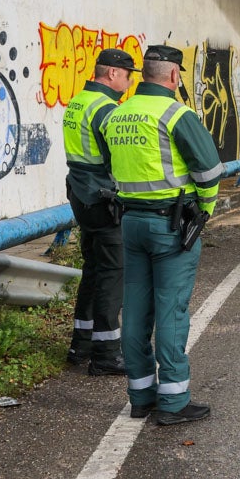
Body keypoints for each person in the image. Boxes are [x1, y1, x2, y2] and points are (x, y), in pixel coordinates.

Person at [104, 45, 225, 426]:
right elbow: (209, 172)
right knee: (171, 311)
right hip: (170, 227)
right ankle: (173, 402)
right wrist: (203, 210)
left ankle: (141, 396)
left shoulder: (115, 115)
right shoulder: (176, 114)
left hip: (130, 223)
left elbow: (111, 167)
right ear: (174, 76)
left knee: (136, 309)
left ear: (143, 74)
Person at [62, 48, 136, 376]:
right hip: (103, 199)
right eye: (128, 74)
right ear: (112, 75)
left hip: (80, 197)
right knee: (112, 272)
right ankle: (106, 353)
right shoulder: (107, 110)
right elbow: (117, 160)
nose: (131, 80)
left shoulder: (77, 102)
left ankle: (82, 344)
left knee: (93, 268)